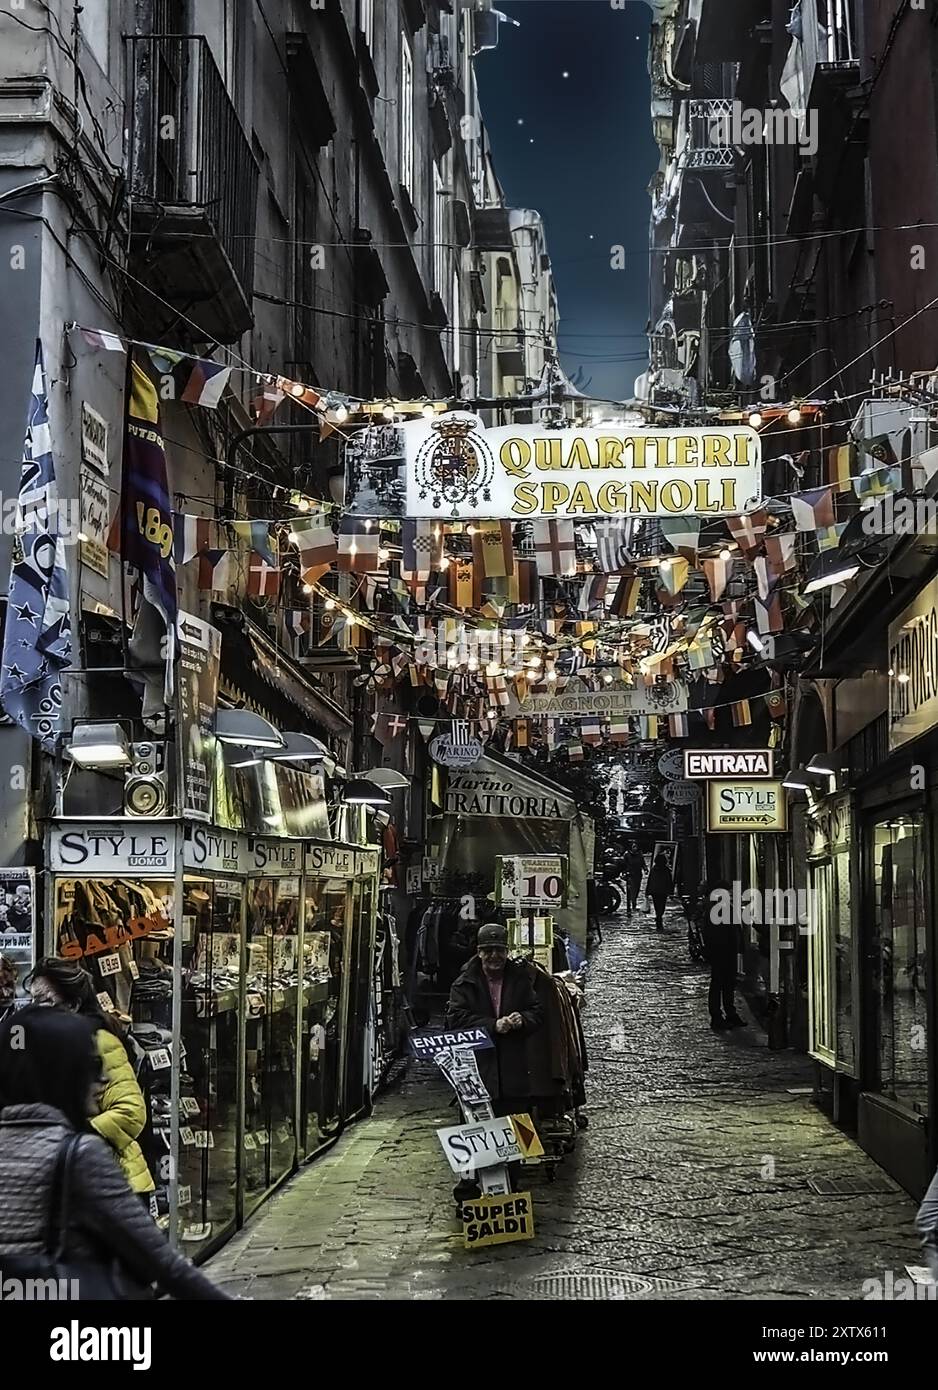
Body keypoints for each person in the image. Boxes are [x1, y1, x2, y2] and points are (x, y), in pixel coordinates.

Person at [0, 1005, 228, 1299]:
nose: (103, 1080)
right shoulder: (78, 1154)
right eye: (91, 1066)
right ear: (60, 1073)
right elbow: (161, 1261)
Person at [26, 957, 155, 1200]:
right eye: (33, 1001)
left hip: (115, 1184)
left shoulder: (100, 1041)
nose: (35, 1010)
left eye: (45, 1002)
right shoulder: (41, 1045)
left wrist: (78, 1136)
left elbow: (131, 1111)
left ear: (73, 1005)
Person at [445, 922, 543, 1116]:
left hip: (513, 1073)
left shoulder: (520, 978)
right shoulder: (464, 983)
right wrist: (492, 1025)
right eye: (487, 951)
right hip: (477, 1072)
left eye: (499, 950)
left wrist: (523, 1019)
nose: (494, 956)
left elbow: (537, 1011)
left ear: (507, 951)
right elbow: (455, 1020)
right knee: (480, 1134)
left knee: (517, 1132)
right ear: (478, 952)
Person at [699, 879, 746, 1031]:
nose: (732, 893)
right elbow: (714, 933)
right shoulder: (716, 909)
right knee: (719, 983)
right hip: (721, 952)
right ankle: (717, 1016)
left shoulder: (725, 907)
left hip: (728, 951)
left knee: (727, 984)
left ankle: (729, 1013)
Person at [646, 852, 674, 931]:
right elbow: (669, 881)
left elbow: (650, 880)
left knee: (656, 905)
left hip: (655, 891)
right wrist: (670, 891)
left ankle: (658, 916)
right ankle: (659, 916)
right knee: (662, 905)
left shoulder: (653, 869)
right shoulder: (666, 870)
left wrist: (648, 890)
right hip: (663, 890)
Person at [625, 847, 645, 914]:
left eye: (636, 847)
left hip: (638, 874)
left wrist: (645, 869)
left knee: (636, 889)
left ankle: (634, 902)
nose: (635, 848)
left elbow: (643, 863)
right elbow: (624, 864)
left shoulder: (640, 855)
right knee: (630, 890)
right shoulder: (627, 855)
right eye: (633, 847)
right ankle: (630, 906)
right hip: (630, 875)